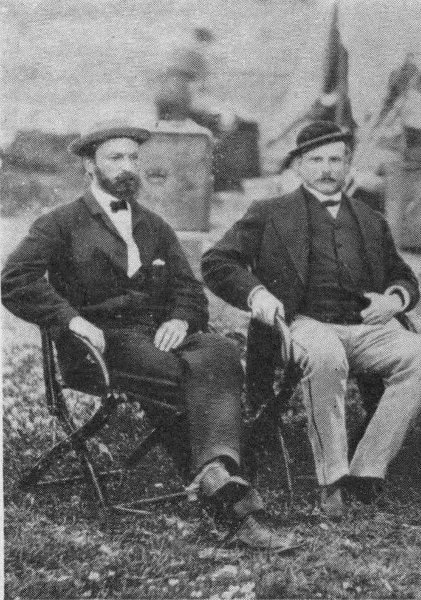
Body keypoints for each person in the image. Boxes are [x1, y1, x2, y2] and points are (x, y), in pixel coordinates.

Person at [1, 118, 292, 550]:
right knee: (195, 379)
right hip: (98, 346)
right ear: (89, 166)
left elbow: (188, 289)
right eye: (114, 158)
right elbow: (14, 280)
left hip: (157, 337)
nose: (126, 166)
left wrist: (181, 320)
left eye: (133, 157)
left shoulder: (154, 225)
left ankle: (217, 473)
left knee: (221, 353)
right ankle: (230, 498)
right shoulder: (59, 224)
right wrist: (71, 320)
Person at [202, 120, 421, 519]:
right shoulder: (270, 213)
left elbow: (403, 276)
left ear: (348, 165)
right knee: (326, 355)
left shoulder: (370, 219)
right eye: (316, 160)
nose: (327, 169)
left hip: (365, 327)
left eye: (335, 160)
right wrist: (257, 295)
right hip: (301, 323)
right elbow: (217, 261)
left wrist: (394, 300)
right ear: (298, 165)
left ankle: (368, 470)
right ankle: (332, 478)